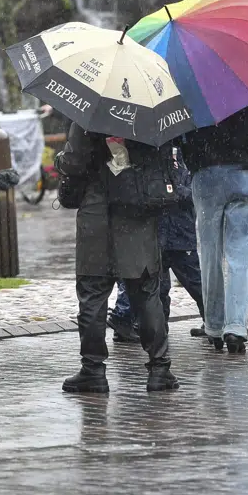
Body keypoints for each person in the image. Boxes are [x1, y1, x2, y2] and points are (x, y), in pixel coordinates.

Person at [56, 124, 178, 393]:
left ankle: (93, 369)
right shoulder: (152, 113)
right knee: (145, 291)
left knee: (92, 293)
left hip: (96, 212)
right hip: (137, 209)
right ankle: (159, 368)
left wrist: (62, 160)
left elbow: (74, 162)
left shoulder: (91, 112)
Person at [181, 92, 248, 353]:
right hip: (245, 172)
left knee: (210, 253)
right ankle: (236, 327)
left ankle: (214, 325)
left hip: (206, 173)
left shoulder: (190, 79)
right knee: (241, 256)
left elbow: (178, 128)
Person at [107, 151, 204, 342]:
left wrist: (172, 192)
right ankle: (157, 326)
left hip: (179, 234)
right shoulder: (148, 158)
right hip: (158, 234)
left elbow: (191, 193)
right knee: (159, 285)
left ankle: (214, 320)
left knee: (195, 282)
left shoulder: (180, 158)